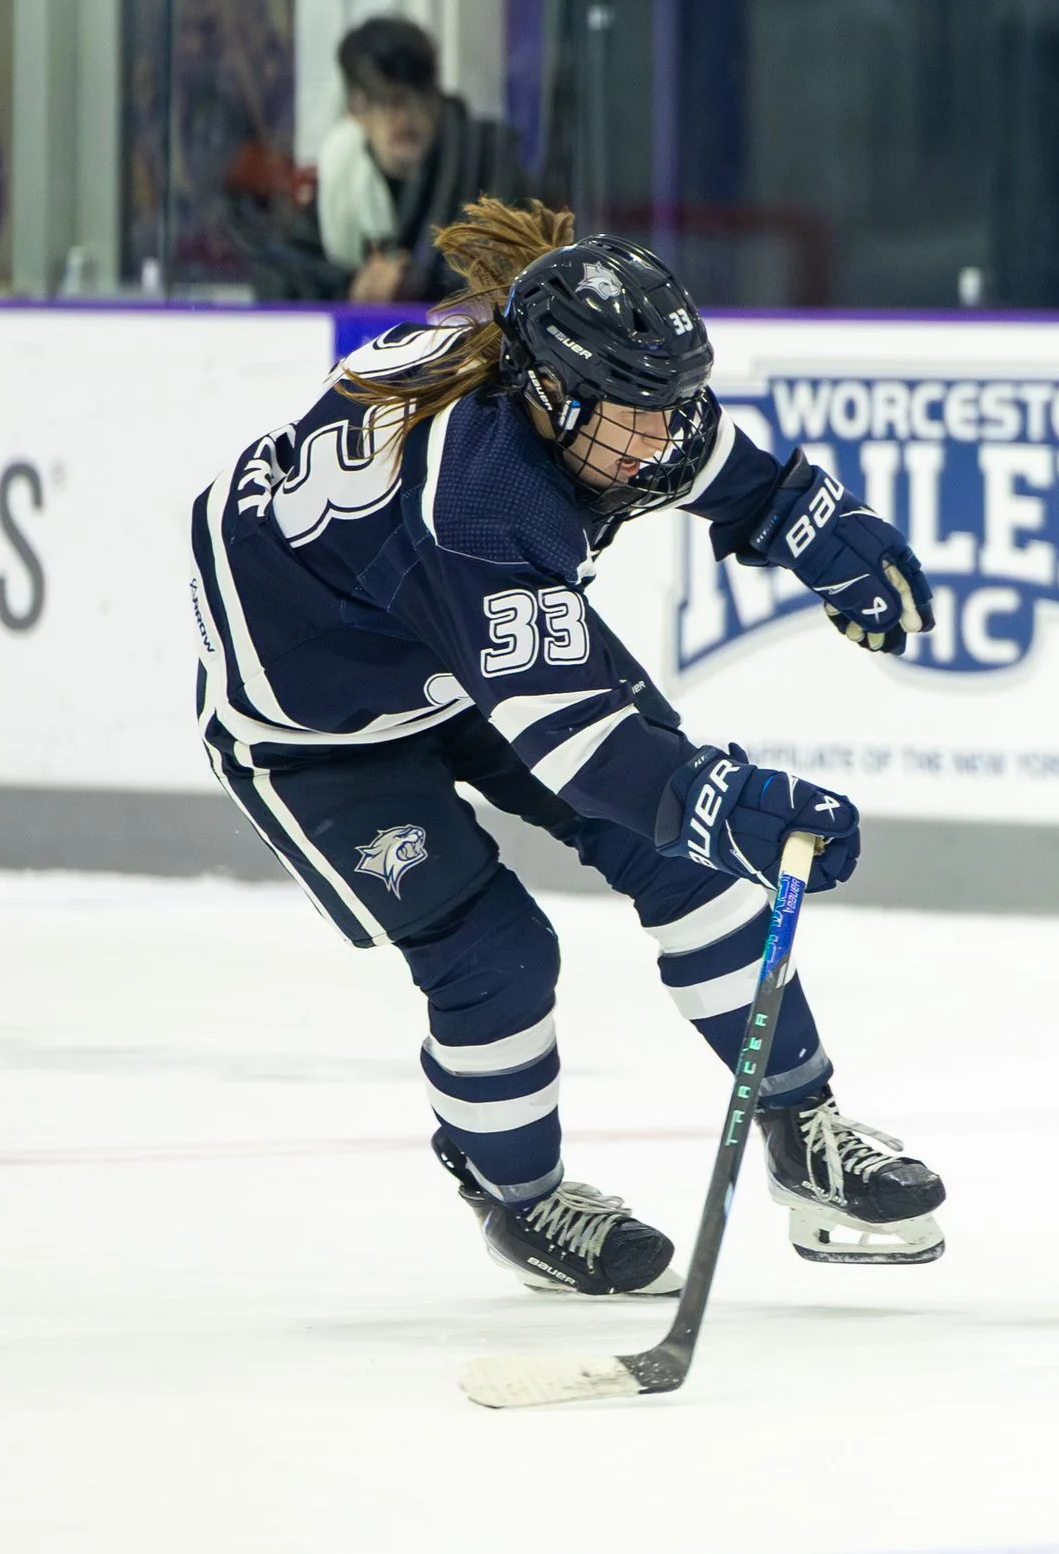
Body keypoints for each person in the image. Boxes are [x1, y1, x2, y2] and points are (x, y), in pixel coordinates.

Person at [191, 198, 945, 1294]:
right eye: (632, 413)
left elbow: (701, 455)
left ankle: (802, 1122)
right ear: (547, 393)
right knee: (495, 953)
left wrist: (808, 522)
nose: (659, 436)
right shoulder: (483, 501)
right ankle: (518, 1195)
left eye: (668, 402)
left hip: (438, 636)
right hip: (319, 721)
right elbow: (578, 744)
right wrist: (727, 803)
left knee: (689, 854)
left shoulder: (582, 390)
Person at [253, 16, 527, 303]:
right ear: (355, 109)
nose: (404, 116)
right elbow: (278, 271)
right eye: (386, 100)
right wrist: (352, 285)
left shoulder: (484, 156)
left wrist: (416, 283)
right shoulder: (343, 174)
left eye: (416, 97)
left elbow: (509, 265)